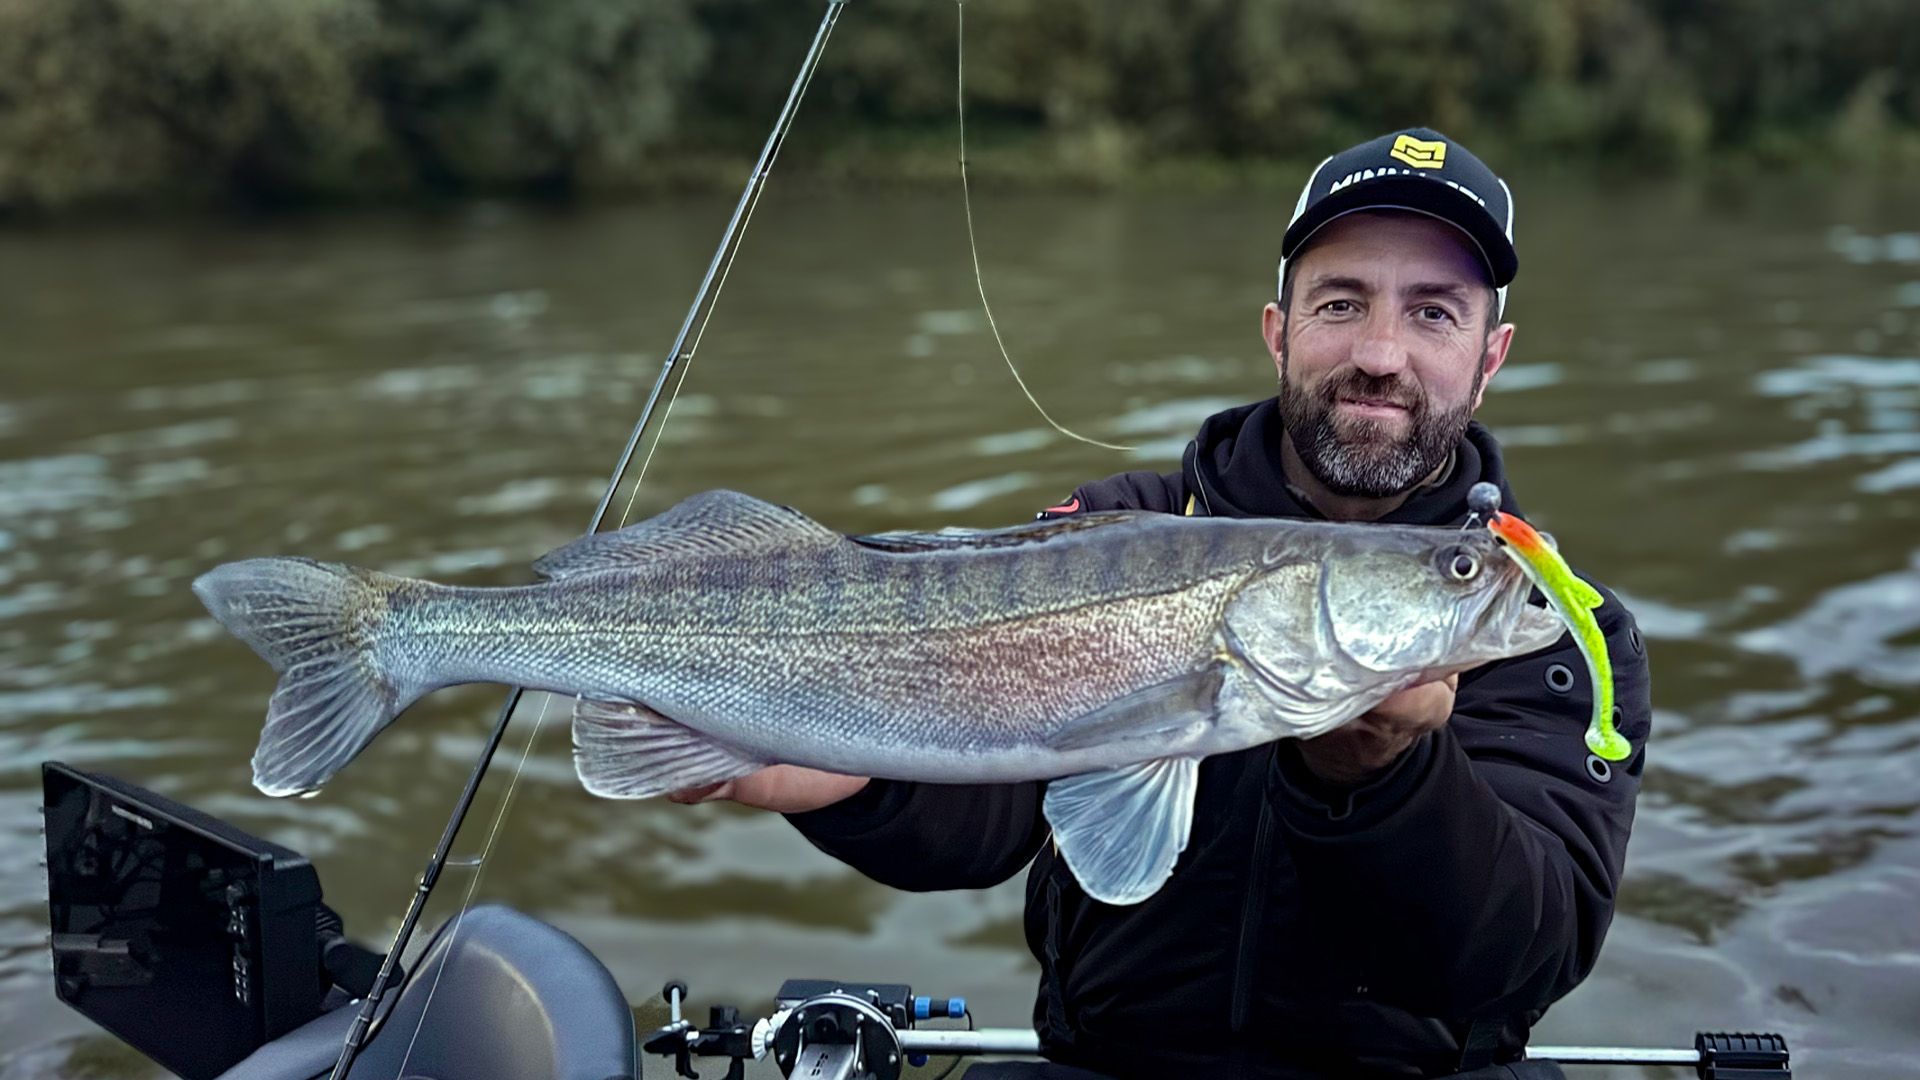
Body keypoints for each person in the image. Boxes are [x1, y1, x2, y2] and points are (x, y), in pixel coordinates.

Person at [668, 128, 1652, 1080]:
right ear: (1280, 330)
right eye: (1342, 303)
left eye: (1435, 313)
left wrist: (1385, 778)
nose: (1382, 354)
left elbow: (1519, 958)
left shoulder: (1549, 623)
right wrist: (853, 781)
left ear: (1492, 354)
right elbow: (993, 812)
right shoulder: (1113, 525)